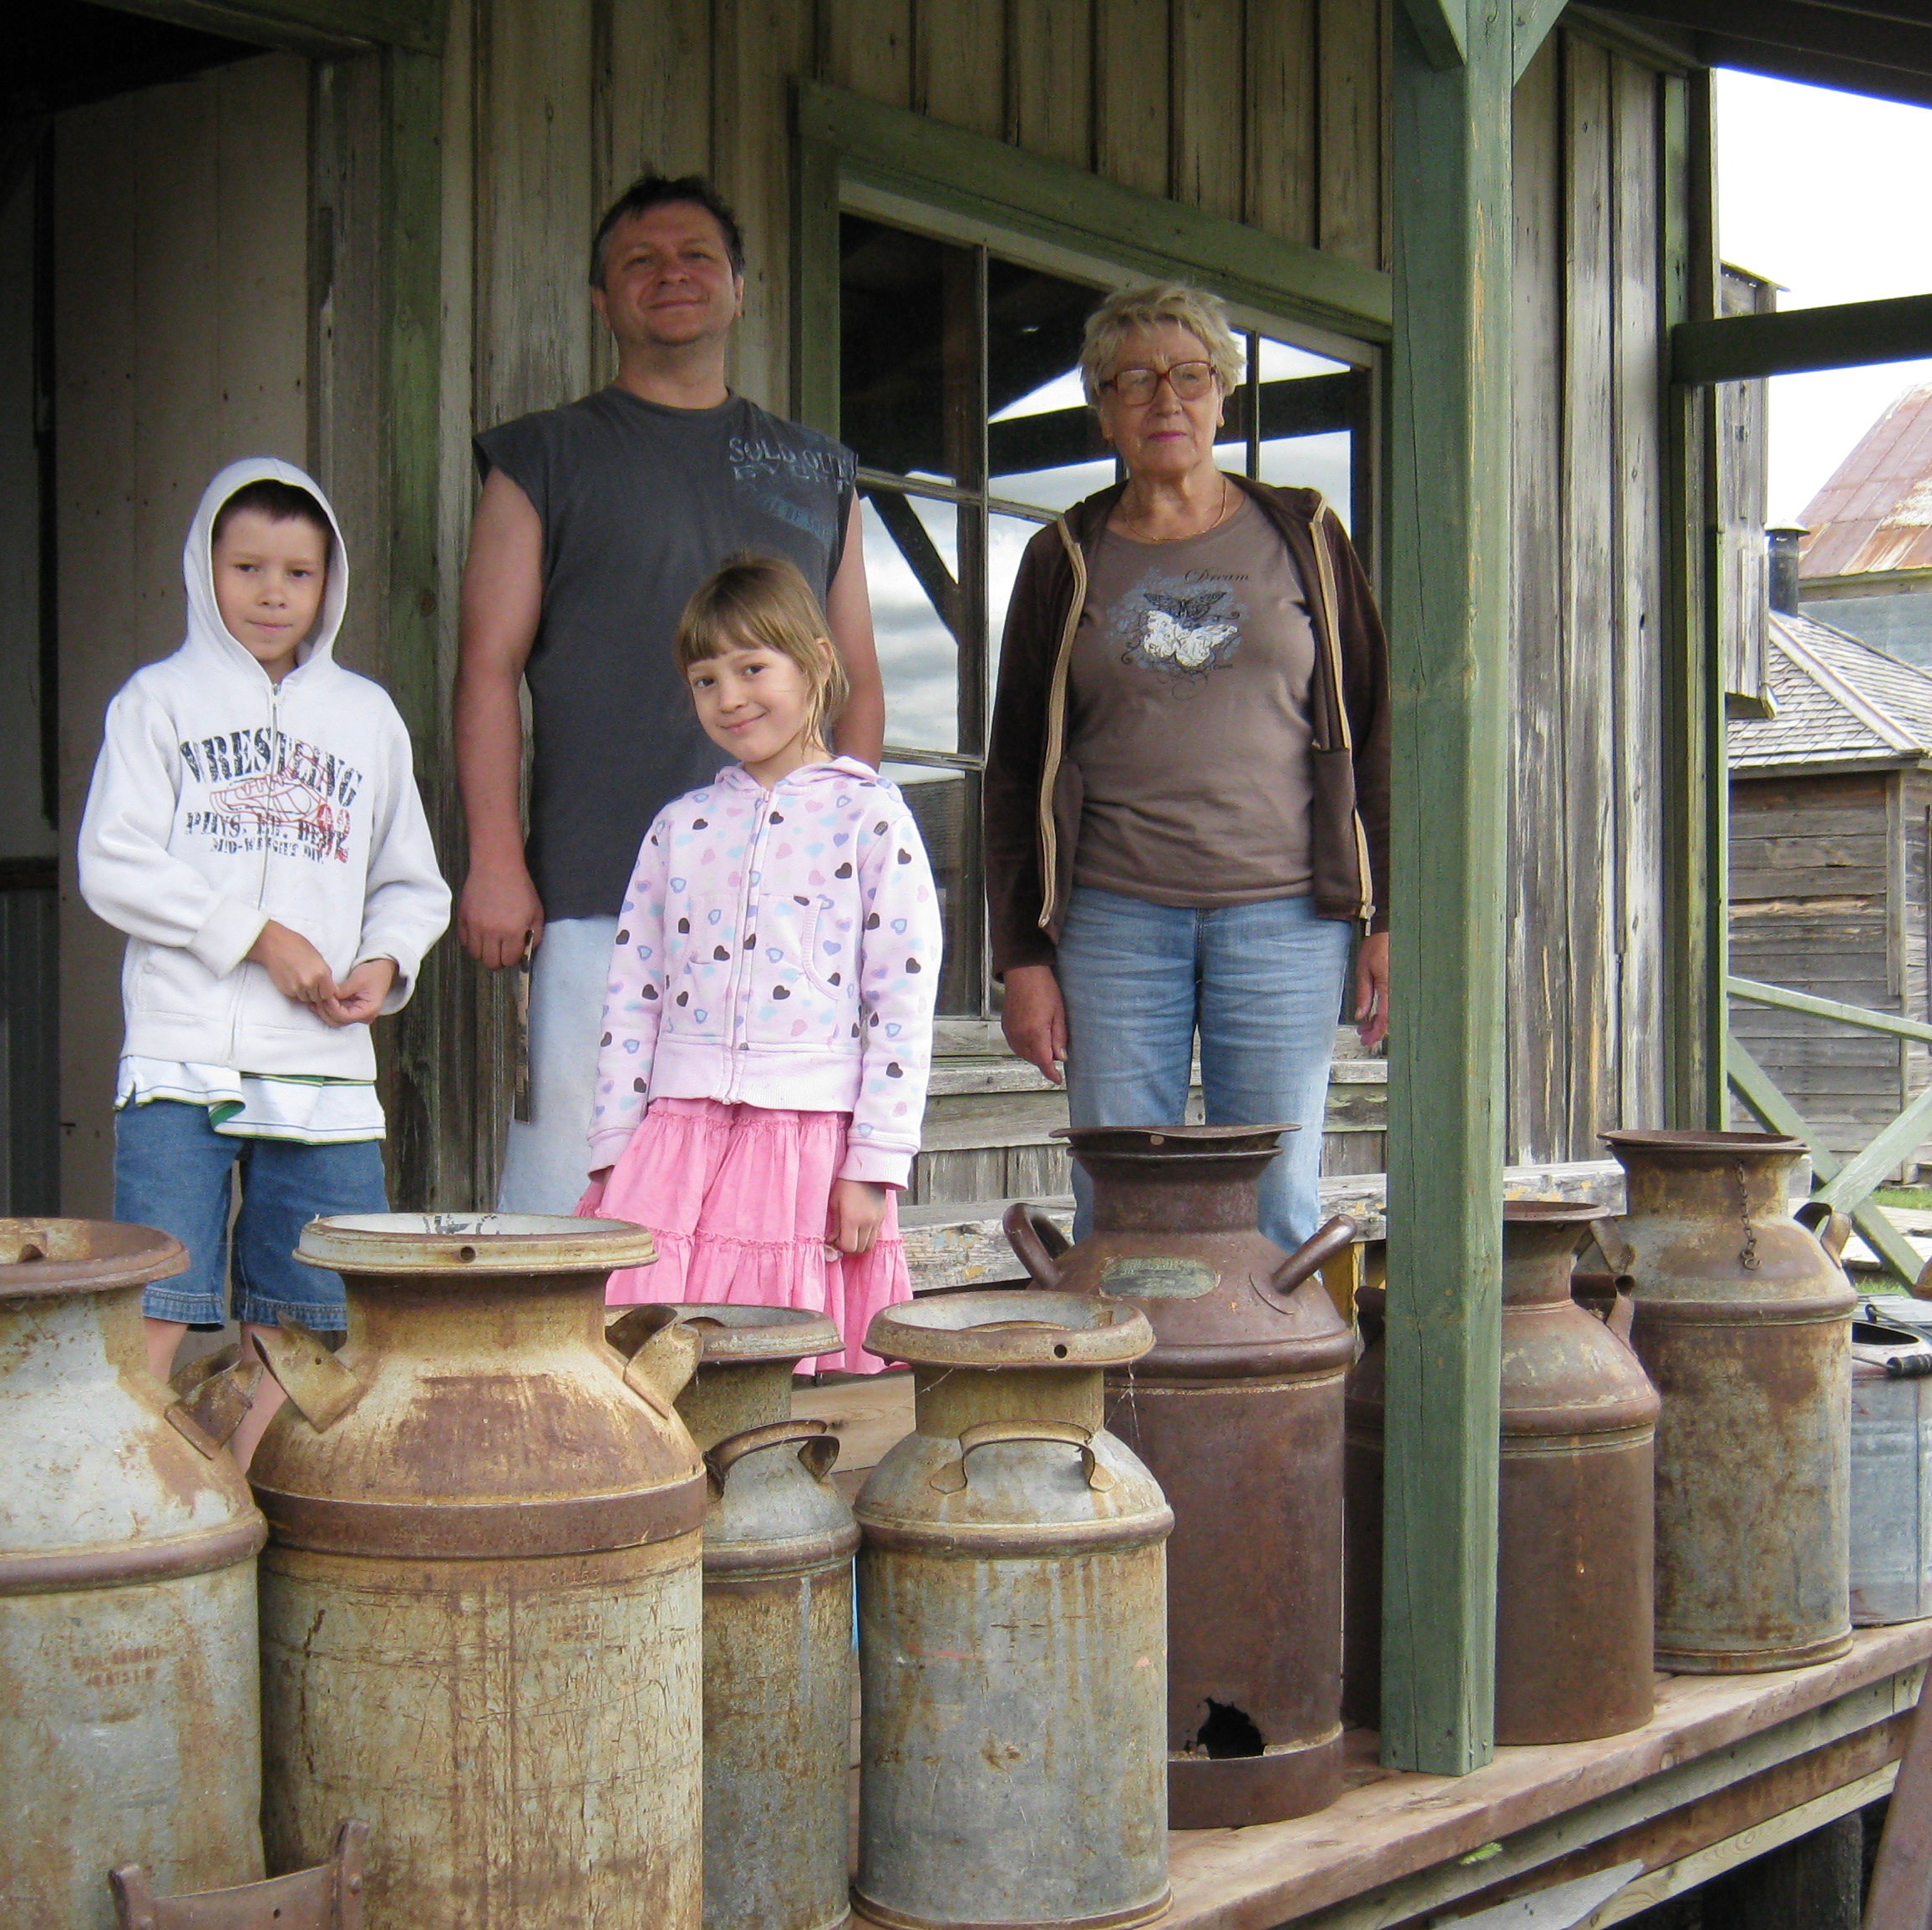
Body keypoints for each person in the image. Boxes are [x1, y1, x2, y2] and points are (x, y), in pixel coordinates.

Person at [457, 174, 885, 1215]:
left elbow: (859, 679)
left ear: (741, 288)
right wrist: (497, 860)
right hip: (595, 885)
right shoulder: (542, 457)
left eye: (697, 256)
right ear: (601, 301)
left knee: (753, 1186)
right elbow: (486, 666)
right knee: (576, 1176)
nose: (672, 275)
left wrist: (839, 844)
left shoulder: (817, 469)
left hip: (783, 907)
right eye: (639, 262)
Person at [983, 282, 1392, 1254]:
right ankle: (1131, 1362)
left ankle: (1274, 1361)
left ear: (1223, 397)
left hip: (1286, 919)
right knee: (1122, 1204)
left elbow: (1377, 729)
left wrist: (1389, 919)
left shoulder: (1306, 535)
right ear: (1103, 409)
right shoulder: (1063, 557)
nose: (1165, 399)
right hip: (1113, 922)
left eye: (1190, 376)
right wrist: (1022, 957)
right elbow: (1016, 768)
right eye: (1135, 380)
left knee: (1275, 1205)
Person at [78, 456, 449, 1449]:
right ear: (205, 569)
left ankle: (254, 1495)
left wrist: (385, 961)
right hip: (182, 1055)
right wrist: (253, 937)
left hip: (322, 1066)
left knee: (304, 1318)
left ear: (331, 583)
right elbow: (112, 862)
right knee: (155, 1303)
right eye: (247, 568)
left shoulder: (365, 718)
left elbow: (413, 883)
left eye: (298, 572)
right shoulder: (158, 702)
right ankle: (149, 1502)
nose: (273, 593)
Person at [578, 556, 941, 1374]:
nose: (729, 697)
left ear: (815, 662)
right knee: (646, 1360)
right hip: (675, 1143)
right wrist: (616, 1142)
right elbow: (633, 991)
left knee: (776, 1366)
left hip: (804, 1145)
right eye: (705, 680)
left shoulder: (869, 816)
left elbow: (901, 1000)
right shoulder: (683, 827)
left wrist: (875, 1163)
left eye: (751, 669)